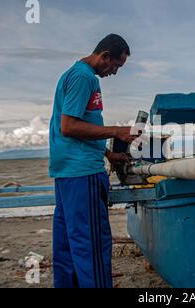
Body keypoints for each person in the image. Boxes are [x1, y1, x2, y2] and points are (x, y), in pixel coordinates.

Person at [49, 34, 136, 288]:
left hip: (67, 173)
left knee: (68, 246)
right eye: (116, 66)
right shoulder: (83, 77)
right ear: (105, 55)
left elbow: (81, 127)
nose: (115, 72)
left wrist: (108, 153)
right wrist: (116, 131)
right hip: (83, 173)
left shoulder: (75, 74)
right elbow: (69, 126)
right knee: (92, 246)